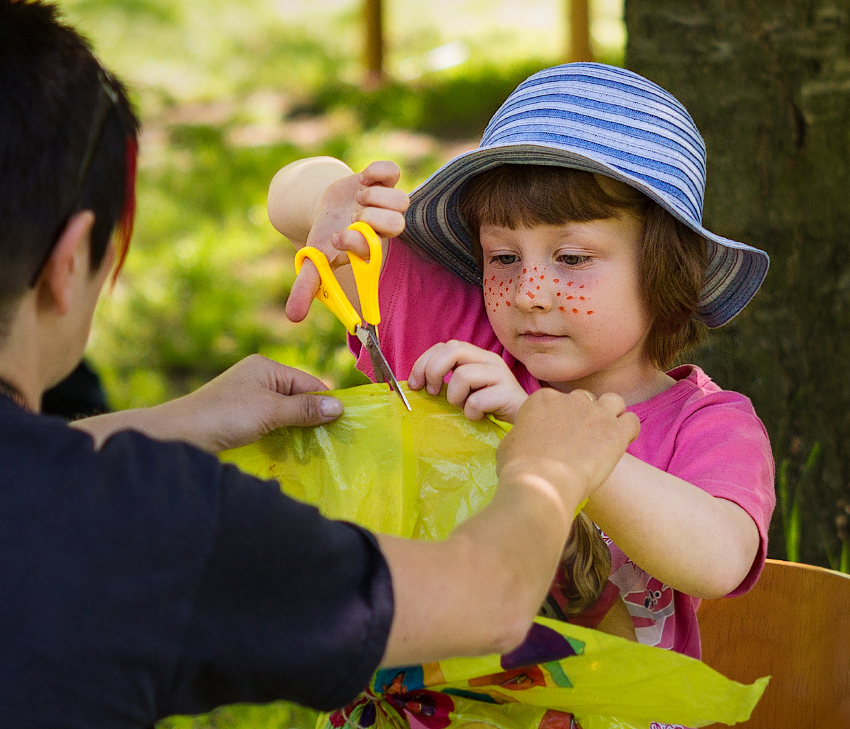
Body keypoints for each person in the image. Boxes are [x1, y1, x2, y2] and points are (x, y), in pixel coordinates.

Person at [0, 5, 640, 727]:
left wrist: (173, 422)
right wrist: (549, 471)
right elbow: (488, 602)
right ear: (66, 265)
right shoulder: (151, 522)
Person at [268, 63, 777, 659]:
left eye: (573, 258)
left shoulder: (711, 425)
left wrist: (540, 425)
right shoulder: (461, 344)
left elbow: (718, 560)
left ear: (664, 270)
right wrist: (333, 200)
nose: (531, 291)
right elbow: (288, 198)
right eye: (503, 257)